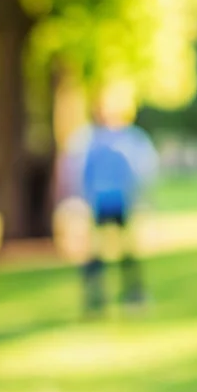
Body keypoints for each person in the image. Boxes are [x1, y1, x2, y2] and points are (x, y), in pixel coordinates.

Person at [68, 85, 155, 316]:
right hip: (103, 201)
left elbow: (141, 170)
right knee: (99, 252)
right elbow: (82, 171)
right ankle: (97, 299)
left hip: (117, 201)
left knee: (124, 250)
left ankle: (128, 295)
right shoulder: (97, 139)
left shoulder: (123, 138)